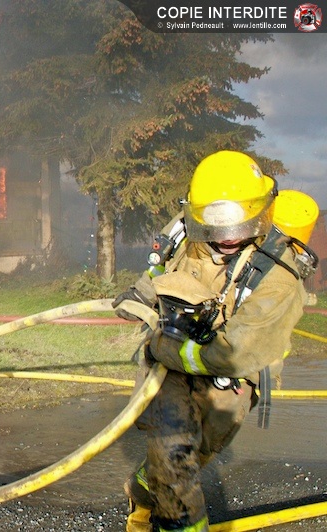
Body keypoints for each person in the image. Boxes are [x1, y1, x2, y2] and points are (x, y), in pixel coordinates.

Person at [113, 150, 318, 532]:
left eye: (237, 226)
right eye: (214, 227)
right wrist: (142, 293)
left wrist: (163, 348)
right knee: (174, 455)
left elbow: (234, 354)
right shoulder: (190, 227)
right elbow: (165, 265)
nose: (226, 238)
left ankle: (143, 490)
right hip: (171, 365)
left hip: (229, 373)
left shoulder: (278, 277)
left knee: (196, 454)